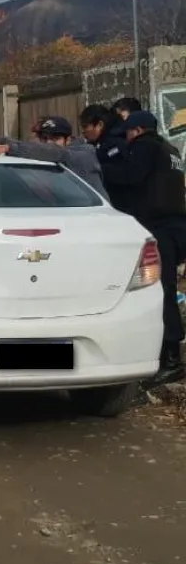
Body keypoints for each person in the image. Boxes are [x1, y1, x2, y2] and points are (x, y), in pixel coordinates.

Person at [104, 110, 186, 385]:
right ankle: (169, 354)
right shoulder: (169, 149)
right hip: (176, 226)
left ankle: (171, 358)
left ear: (137, 131)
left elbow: (130, 176)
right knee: (167, 289)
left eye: (128, 132)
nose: (126, 137)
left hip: (157, 228)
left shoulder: (144, 146)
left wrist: (103, 165)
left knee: (159, 291)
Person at [0, 116, 108, 198]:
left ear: (69, 139)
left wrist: (9, 147)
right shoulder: (43, 155)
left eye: (55, 138)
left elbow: (55, 152)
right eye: (44, 138)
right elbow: (37, 148)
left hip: (93, 218)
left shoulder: (83, 153)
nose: (49, 143)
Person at [79, 104, 134, 214]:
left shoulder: (115, 143)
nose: (83, 131)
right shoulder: (98, 143)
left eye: (86, 127)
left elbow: (121, 172)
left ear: (99, 125)